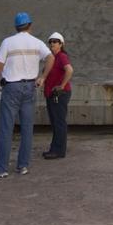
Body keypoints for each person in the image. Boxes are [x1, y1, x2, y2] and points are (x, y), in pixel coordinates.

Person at [0, 12, 53, 179]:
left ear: (16, 27)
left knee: (7, 129)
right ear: (30, 25)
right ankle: (22, 166)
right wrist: (43, 77)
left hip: (12, 88)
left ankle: (0, 168)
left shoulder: (8, 42)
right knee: (27, 129)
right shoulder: (37, 43)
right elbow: (51, 58)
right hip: (29, 87)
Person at [42, 31, 74, 160]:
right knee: (55, 122)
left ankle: (59, 151)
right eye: (50, 42)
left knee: (59, 122)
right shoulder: (51, 58)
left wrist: (61, 85)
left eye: (55, 42)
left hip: (59, 94)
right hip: (51, 94)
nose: (52, 44)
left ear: (61, 44)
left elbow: (70, 70)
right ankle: (54, 149)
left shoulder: (61, 56)